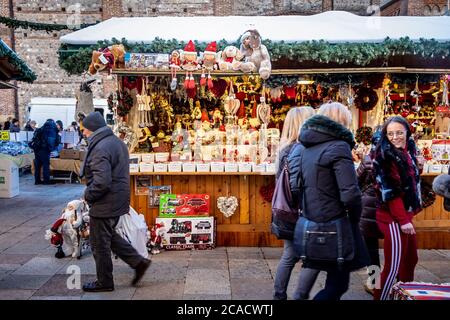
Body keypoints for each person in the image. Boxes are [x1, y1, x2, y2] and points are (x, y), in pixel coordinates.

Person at [296, 102, 370, 300]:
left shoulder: (307, 147)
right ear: (343, 122)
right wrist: (355, 217)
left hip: (315, 219)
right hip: (337, 222)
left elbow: (299, 186)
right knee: (337, 285)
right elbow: (350, 193)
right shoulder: (339, 146)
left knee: (334, 280)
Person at [79, 111, 151, 292]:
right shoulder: (116, 142)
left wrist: (88, 194)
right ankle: (138, 262)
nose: (83, 134)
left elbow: (102, 181)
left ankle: (105, 282)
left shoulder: (100, 147)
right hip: (117, 199)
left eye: (85, 130)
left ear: (93, 130)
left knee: (99, 243)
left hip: (105, 202)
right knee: (109, 236)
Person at [272, 106, 320, 300]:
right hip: (300, 211)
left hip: (286, 210)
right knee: (307, 257)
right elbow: (300, 185)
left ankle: (280, 295)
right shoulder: (302, 149)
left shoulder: (285, 149)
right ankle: (292, 295)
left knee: (289, 255)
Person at [372, 116, 422, 300]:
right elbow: (391, 192)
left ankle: (405, 296)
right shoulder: (385, 155)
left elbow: (408, 182)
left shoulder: (407, 151)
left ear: (407, 132)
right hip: (392, 217)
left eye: (399, 132)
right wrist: (402, 220)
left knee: (410, 260)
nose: (395, 137)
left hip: (404, 215)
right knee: (392, 267)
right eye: (390, 133)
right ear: (385, 135)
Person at [355, 132, 383, 295]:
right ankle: (400, 282)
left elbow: (356, 180)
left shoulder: (368, 159)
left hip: (369, 209)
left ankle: (375, 283)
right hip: (390, 209)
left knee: (371, 249)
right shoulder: (398, 157)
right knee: (395, 248)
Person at [30, 119, 60, 185]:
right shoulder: (51, 129)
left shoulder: (41, 128)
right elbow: (51, 140)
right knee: (46, 165)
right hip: (45, 149)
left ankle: (37, 181)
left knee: (38, 165)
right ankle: (46, 181)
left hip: (37, 149)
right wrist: (51, 149)